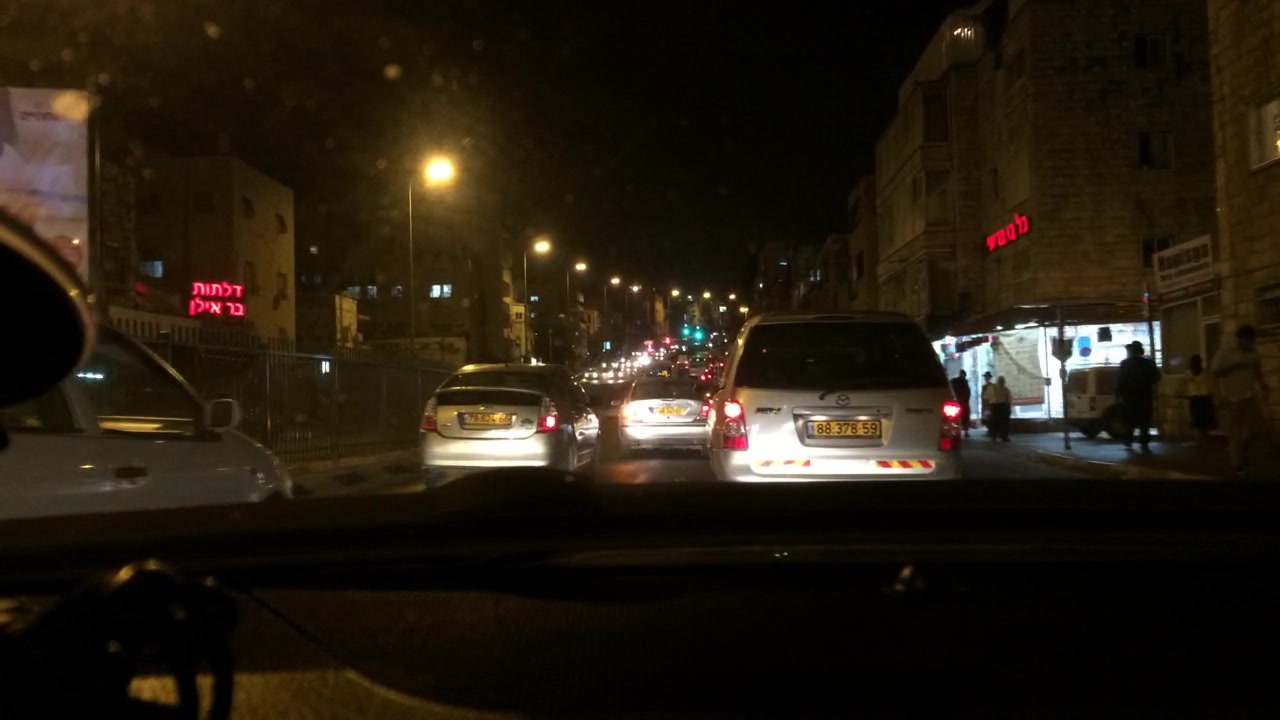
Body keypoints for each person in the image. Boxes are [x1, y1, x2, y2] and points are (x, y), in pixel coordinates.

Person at [1210, 325, 1268, 475]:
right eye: (1247, 341)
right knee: (1235, 432)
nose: (1249, 344)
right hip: (1231, 397)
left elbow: (1257, 369)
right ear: (1239, 339)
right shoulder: (1225, 353)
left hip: (1249, 395)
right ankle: (1237, 464)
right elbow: (1214, 375)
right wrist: (1218, 395)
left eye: (1251, 341)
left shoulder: (1253, 353)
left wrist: (1262, 384)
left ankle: (1241, 453)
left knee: (1257, 428)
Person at [1116, 341, 1161, 450]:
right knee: (1144, 421)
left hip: (1129, 397)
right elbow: (1157, 377)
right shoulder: (1148, 363)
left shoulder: (1125, 364)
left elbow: (1120, 381)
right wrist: (1148, 383)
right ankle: (1143, 440)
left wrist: (1118, 395)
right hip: (1144, 396)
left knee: (1129, 420)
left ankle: (1128, 439)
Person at [1185, 354, 1216, 444]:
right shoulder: (1205, 373)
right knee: (1204, 421)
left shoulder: (1188, 374)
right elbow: (1210, 385)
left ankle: (1199, 440)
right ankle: (1203, 440)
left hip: (1195, 398)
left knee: (1197, 422)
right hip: (1204, 398)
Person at [983, 375, 1012, 442]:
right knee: (997, 422)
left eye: (1003, 381)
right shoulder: (993, 388)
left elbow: (1008, 399)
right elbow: (986, 398)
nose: (1002, 383)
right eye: (1002, 381)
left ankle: (1000, 436)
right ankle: (997, 436)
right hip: (996, 406)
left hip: (1000, 406)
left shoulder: (1004, 389)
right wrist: (987, 407)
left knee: (1001, 422)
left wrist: (1008, 407)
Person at [950, 369, 972, 438]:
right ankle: (964, 431)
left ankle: (962, 431)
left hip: (960, 402)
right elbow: (968, 392)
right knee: (962, 417)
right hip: (962, 402)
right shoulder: (961, 381)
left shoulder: (956, 381)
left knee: (961, 417)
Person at [979, 371, 996, 438]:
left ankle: (991, 431)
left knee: (989, 418)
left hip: (990, 404)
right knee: (986, 418)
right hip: (985, 404)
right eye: (986, 377)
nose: (986, 378)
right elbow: (982, 396)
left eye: (987, 377)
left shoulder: (992, 386)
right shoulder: (984, 386)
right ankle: (990, 430)